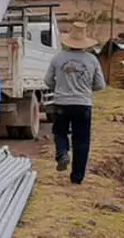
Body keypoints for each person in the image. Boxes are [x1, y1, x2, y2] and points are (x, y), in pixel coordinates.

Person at [44, 21, 105, 185]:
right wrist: (85, 88)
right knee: (82, 140)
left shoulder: (58, 58)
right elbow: (100, 85)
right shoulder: (92, 60)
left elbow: (47, 80)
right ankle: (77, 178)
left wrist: (59, 88)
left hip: (61, 103)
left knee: (60, 132)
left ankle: (63, 153)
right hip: (83, 104)